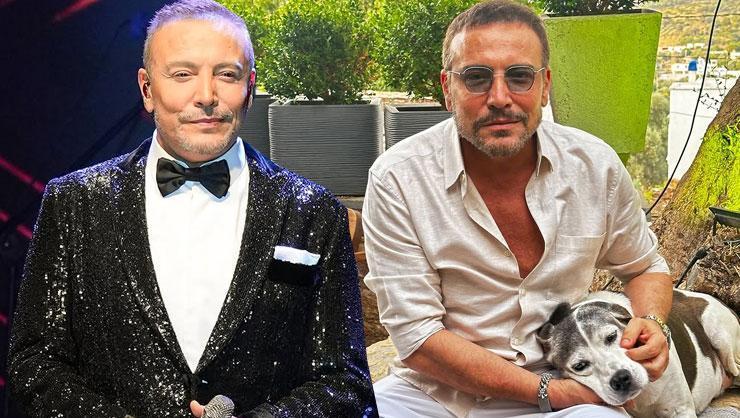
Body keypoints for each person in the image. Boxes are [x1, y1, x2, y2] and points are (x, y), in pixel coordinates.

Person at [8, 1, 377, 417]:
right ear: (147, 89)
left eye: (227, 74)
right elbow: (34, 363)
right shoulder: (74, 202)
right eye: (182, 75)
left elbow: (345, 383)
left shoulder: (314, 210)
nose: (206, 96)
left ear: (250, 87)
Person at [362, 1, 672, 417]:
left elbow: (644, 266)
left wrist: (652, 323)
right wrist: (550, 393)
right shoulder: (397, 179)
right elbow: (417, 337)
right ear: (447, 89)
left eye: (520, 76)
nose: (499, 98)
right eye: (476, 77)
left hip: (567, 386)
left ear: (545, 86)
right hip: (435, 394)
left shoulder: (594, 167)